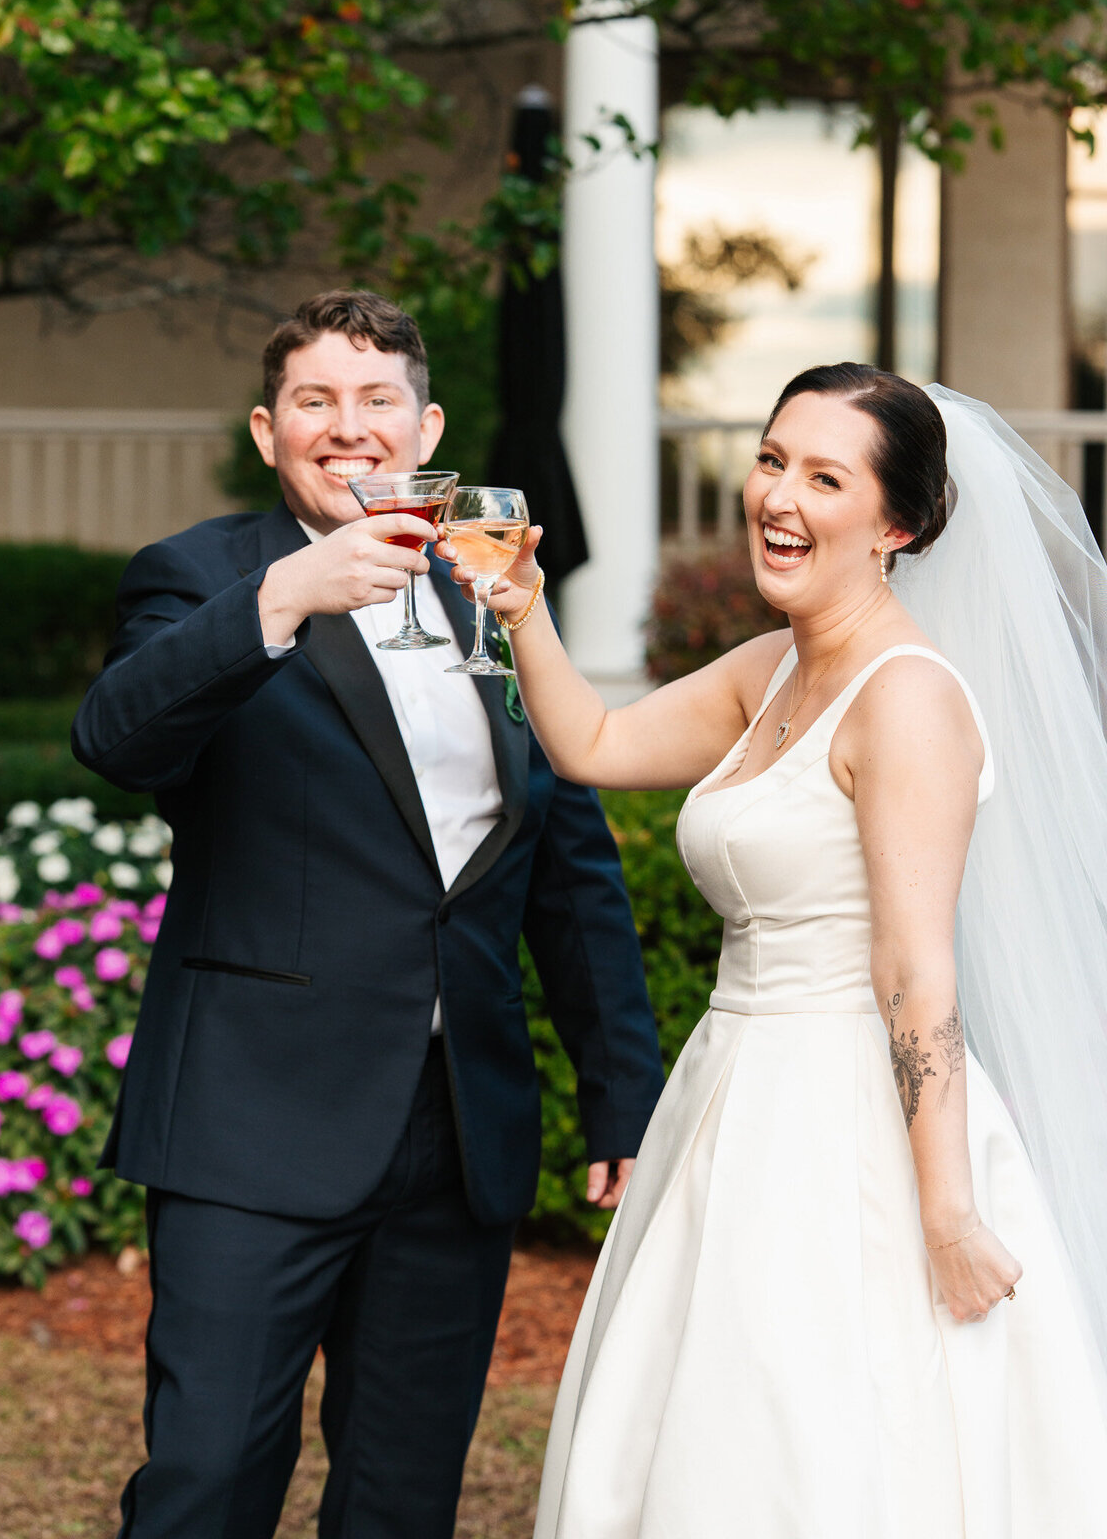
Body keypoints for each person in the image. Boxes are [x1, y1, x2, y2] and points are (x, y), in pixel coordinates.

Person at [440, 363, 1107, 1537]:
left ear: (898, 526)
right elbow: (593, 741)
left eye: (825, 477)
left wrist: (946, 1212)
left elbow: (915, 971)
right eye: (769, 460)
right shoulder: (777, 669)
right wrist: (521, 604)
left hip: (846, 1120)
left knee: (815, 1433)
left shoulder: (906, 701)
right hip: (730, 1091)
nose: (777, 497)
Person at [71, 289, 666, 1539]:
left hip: (456, 1136)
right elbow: (116, 736)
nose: (350, 429)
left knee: (402, 1498)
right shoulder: (203, 578)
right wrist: (287, 597)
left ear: (424, 423)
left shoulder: (489, 590)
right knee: (208, 1485)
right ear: (268, 430)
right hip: (254, 1124)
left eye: (377, 399)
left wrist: (622, 1089)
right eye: (316, 402)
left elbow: (564, 856)